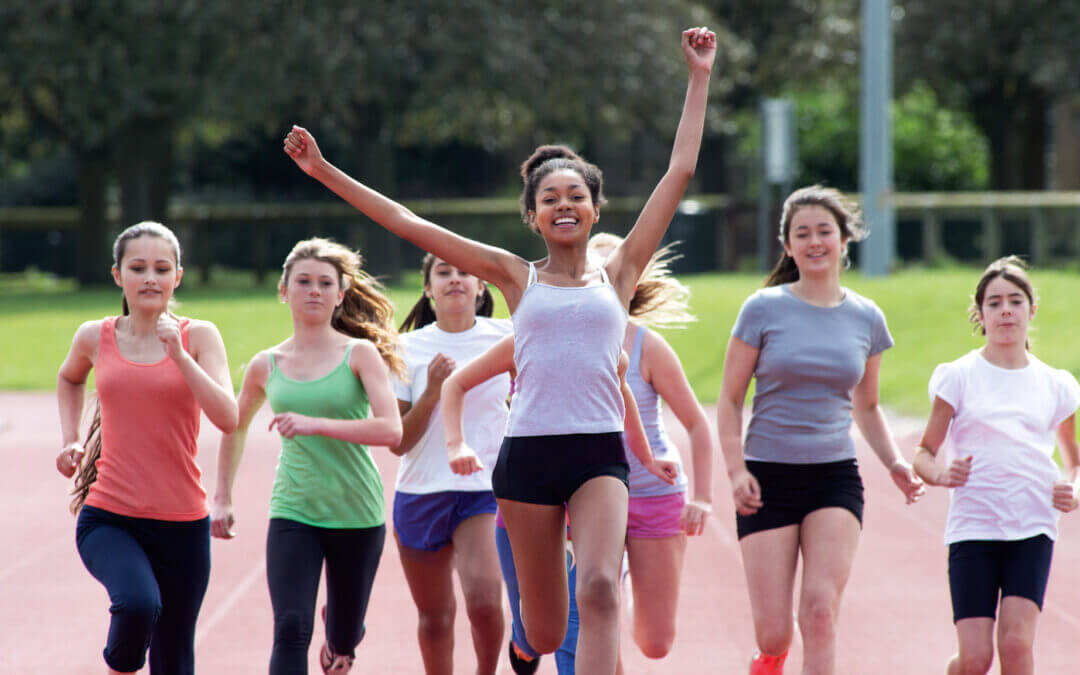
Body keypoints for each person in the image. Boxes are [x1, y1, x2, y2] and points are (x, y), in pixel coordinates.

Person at [284, 26, 715, 674]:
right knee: (544, 628)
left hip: (600, 452)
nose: (564, 205)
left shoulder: (619, 271)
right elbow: (407, 222)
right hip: (528, 458)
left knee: (599, 589)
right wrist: (323, 171)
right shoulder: (516, 276)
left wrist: (699, 76)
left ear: (595, 210)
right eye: (550, 199)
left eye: (576, 196)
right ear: (534, 216)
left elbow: (679, 170)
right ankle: (526, 637)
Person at [716, 186, 925, 675]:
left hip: (834, 477)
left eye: (824, 231)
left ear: (844, 239)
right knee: (774, 632)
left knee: (820, 612)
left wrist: (894, 462)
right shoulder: (762, 309)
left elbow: (867, 406)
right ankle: (768, 658)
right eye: (802, 233)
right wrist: (735, 471)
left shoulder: (867, 318)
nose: (815, 242)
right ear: (787, 246)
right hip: (767, 478)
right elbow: (728, 400)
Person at [210, 238, 403, 674]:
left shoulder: (359, 354)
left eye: (324, 283)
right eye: (303, 282)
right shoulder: (266, 365)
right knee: (291, 626)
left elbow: (392, 429)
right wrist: (221, 496)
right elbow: (234, 425)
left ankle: (341, 642)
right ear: (284, 290)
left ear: (340, 294)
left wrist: (317, 424)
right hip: (294, 509)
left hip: (356, 511)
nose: (313, 290)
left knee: (345, 630)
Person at [56, 221, 238, 675]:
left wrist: (178, 355)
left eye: (162, 268)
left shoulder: (201, 337)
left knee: (174, 658)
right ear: (118, 275)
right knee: (137, 605)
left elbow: (228, 416)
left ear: (178, 275)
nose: (150, 278)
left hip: (183, 524)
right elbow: (69, 377)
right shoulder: (94, 336)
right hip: (110, 518)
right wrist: (71, 437)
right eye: (138, 268)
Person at [440, 335, 666, 675]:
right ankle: (523, 641)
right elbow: (456, 383)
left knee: (585, 610)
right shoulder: (522, 341)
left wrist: (647, 459)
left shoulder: (603, 343)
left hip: (587, 496)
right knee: (539, 634)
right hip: (524, 502)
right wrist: (456, 444)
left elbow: (623, 393)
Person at [911, 256, 1080, 675]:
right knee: (975, 659)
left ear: (1031, 309)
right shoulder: (958, 377)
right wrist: (939, 474)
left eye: (1015, 301)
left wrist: (1073, 488)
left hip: (1032, 527)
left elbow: (1073, 461)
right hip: (974, 528)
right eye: (995, 302)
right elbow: (923, 453)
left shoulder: (1056, 384)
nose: (1006, 309)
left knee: (1017, 646)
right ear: (981, 314)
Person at [389, 254, 510, 674]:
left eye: (464, 272)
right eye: (443, 272)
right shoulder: (405, 347)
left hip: (484, 491)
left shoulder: (508, 337)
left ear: (481, 287)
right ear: (428, 288)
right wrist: (432, 391)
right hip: (420, 493)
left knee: (485, 602)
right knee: (435, 619)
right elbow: (399, 441)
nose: (454, 279)